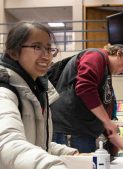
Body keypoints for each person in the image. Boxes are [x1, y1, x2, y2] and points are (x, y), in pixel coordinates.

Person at [0, 21, 78, 169]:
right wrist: (51, 165)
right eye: (37, 47)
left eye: (49, 49)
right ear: (14, 52)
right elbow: (8, 142)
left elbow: (37, 143)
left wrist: (69, 153)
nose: (46, 56)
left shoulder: (37, 89)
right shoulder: (4, 91)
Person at [51, 44, 123, 158]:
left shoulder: (105, 75)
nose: (122, 71)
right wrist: (106, 121)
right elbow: (85, 87)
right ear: (118, 54)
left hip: (84, 132)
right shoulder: (96, 55)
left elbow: (106, 123)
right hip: (71, 129)